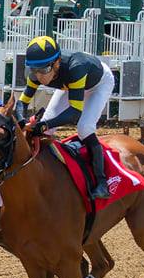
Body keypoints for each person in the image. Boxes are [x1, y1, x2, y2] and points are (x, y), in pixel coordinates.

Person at [19, 35, 116, 198]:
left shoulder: (75, 67)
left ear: (56, 62)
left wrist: (43, 126)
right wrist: (22, 121)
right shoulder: (37, 72)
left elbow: (74, 112)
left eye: (44, 70)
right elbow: (22, 103)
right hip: (69, 85)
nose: (40, 76)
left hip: (98, 84)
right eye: (34, 70)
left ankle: (101, 182)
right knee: (46, 129)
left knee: (84, 128)